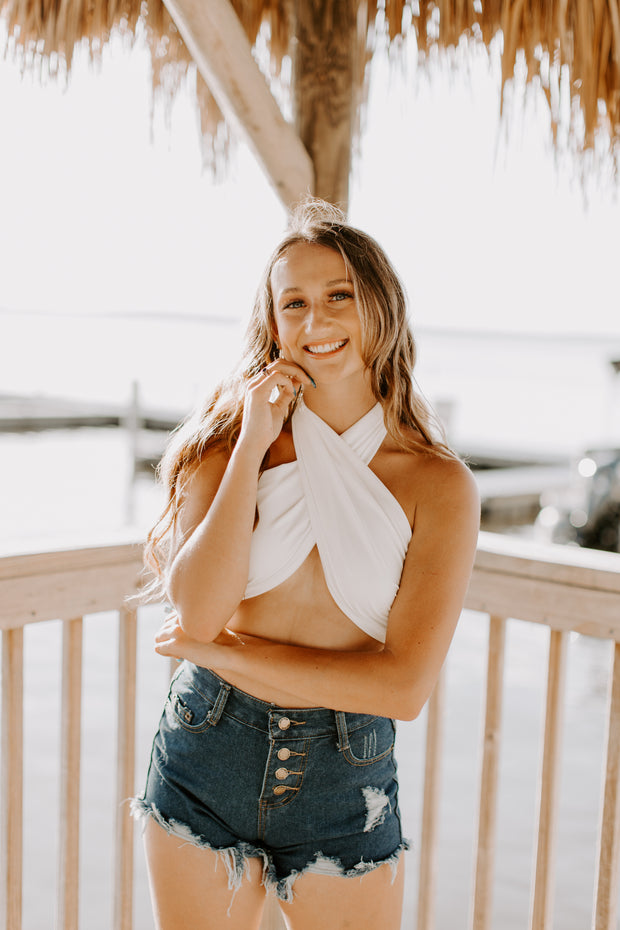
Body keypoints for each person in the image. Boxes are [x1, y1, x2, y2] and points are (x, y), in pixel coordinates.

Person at [132, 200, 480, 930]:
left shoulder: (437, 485)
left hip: (343, 774)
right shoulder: (226, 448)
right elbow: (196, 612)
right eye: (294, 303)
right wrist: (256, 439)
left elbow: (403, 687)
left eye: (338, 296)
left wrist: (215, 652)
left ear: (379, 307)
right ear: (273, 321)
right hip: (207, 747)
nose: (316, 321)